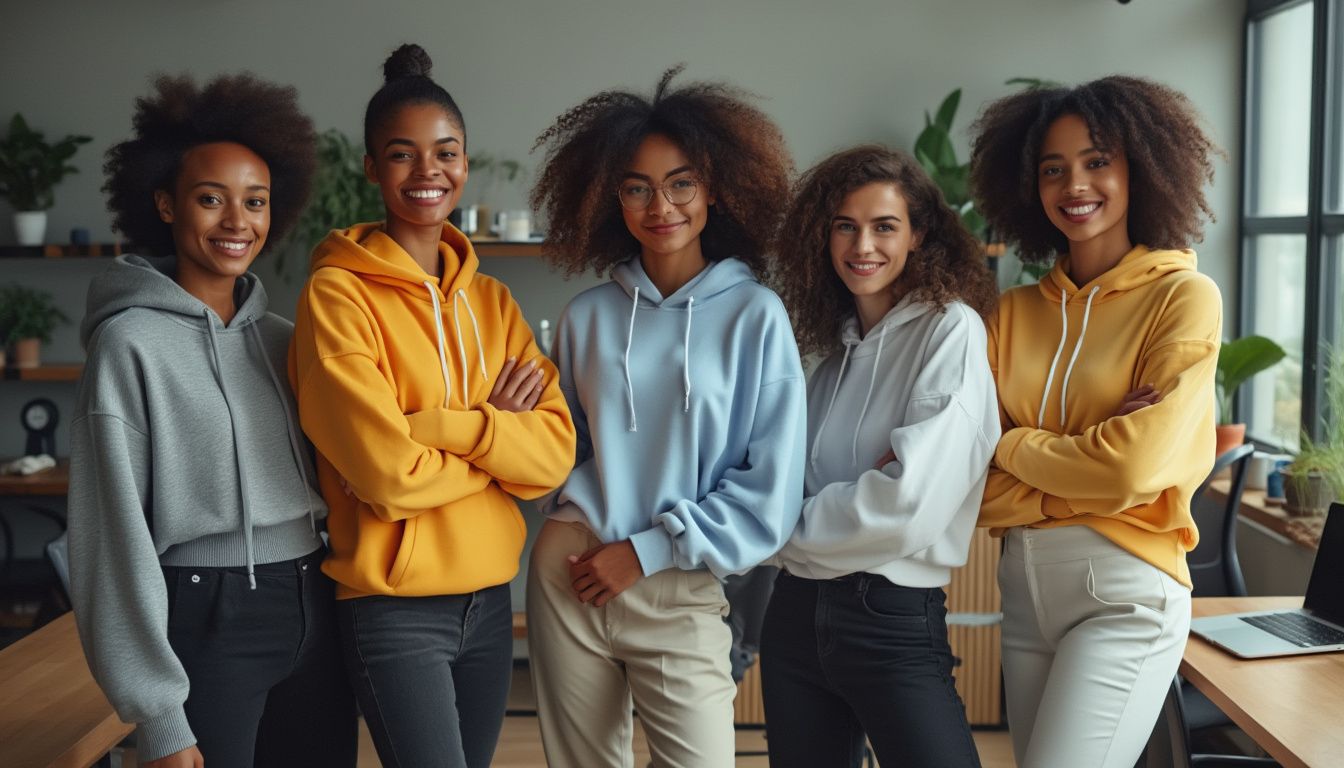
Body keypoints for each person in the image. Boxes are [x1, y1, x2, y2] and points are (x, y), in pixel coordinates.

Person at [288, 43, 576, 768]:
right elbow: (388, 478)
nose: (428, 173)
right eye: (402, 154)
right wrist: (494, 440)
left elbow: (549, 462)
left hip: (489, 602)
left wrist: (437, 430)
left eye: (445, 152)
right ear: (371, 169)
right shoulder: (337, 296)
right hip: (394, 610)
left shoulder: (493, 301)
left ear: (466, 163)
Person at [68, 74, 356, 768]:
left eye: (254, 201)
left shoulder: (287, 339)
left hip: (314, 602)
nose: (237, 221)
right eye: (210, 199)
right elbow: (110, 545)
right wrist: (160, 717)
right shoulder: (128, 344)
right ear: (165, 204)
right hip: (205, 618)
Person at [526, 65, 806, 768]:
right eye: (637, 187)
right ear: (608, 197)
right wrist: (510, 426)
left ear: (716, 188)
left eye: (682, 182)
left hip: (679, 584)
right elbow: (565, 450)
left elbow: (770, 485)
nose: (662, 205)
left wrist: (647, 551)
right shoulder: (588, 317)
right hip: (572, 572)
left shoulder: (755, 317)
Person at [970, 76, 1223, 767]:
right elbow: (968, 482)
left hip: (1126, 596)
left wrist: (1011, 442)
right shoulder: (1011, 314)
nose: (1074, 184)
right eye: (1053, 169)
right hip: (1021, 596)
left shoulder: (1182, 298)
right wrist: (1087, 458)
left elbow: (1132, 468)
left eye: (1096, 160)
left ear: (1140, 166)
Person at [764, 145, 998, 768]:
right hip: (793, 618)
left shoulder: (951, 330)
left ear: (919, 235)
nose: (861, 245)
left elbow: (908, 504)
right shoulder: (829, 360)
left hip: (888, 618)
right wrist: (796, 515)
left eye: (884, 226)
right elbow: (778, 480)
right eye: (845, 225)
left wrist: (782, 527)